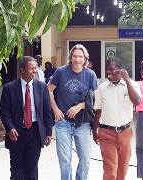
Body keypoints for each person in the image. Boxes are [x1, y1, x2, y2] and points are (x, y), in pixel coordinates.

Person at [47, 44, 98, 180]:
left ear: (85, 58)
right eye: (75, 56)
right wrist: (55, 109)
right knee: (64, 160)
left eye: (80, 56)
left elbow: (95, 97)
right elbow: (49, 90)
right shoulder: (61, 72)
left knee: (85, 158)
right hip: (62, 123)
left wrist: (81, 105)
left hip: (83, 123)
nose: (77, 59)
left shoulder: (90, 75)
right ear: (71, 57)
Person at [0, 56, 53, 180]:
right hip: (16, 133)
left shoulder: (42, 87)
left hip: (35, 132)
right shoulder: (9, 89)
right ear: (22, 70)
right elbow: (4, 111)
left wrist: (48, 133)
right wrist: (10, 128)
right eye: (31, 68)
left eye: (35, 68)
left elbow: (47, 111)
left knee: (32, 168)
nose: (34, 71)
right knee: (17, 169)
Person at [93, 57, 142, 180]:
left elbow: (137, 101)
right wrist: (95, 130)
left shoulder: (131, 85)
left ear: (120, 70)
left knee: (122, 168)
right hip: (106, 133)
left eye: (112, 70)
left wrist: (127, 81)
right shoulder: (102, 88)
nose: (108, 72)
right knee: (110, 169)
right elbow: (98, 109)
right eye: (107, 70)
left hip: (125, 132)